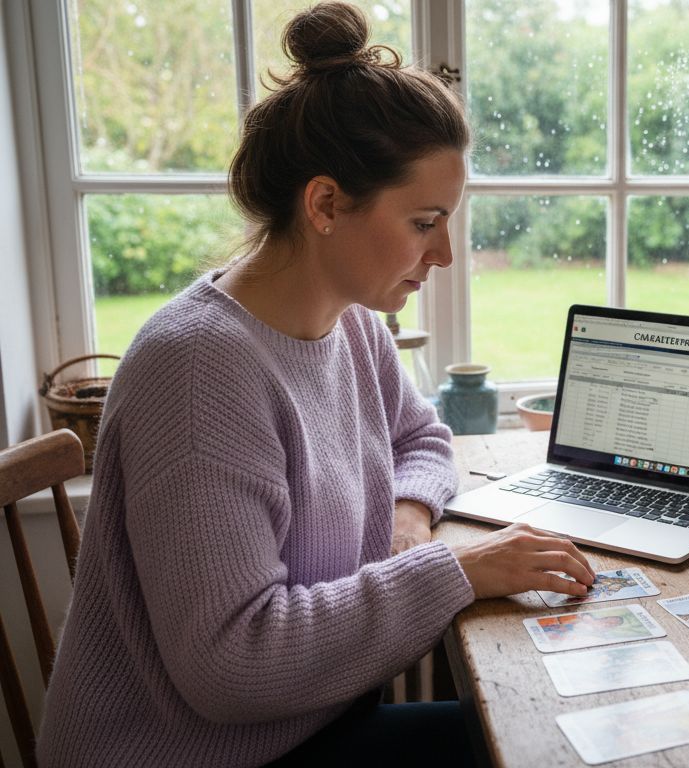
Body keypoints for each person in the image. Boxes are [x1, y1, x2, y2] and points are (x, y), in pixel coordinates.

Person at [36, 4, 594, 766]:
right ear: (326, 203)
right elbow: (231, 664)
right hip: (195, 754)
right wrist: (451, 571)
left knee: (558, 730)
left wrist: (406, 518)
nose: (447, 256)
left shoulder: (353, 324)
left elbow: (422, 435)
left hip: (310, 726)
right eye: (426, 221)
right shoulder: (200, 370)